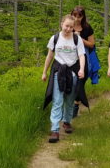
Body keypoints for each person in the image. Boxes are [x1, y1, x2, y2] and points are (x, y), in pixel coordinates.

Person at [42, 15, 87, 143]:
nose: (68, 29)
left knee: (69, 99)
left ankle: (67, 122)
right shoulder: (55, 38)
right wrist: (44, 72)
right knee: (57, 100)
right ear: (62, 24)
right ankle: (55, 130)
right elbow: (50, 56)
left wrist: (81, 69)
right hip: (58, 72)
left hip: (72, 72)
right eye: (66, 26)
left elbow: (81, 55)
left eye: (71, 27)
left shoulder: (77, 39)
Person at [71, 6, 98, 117]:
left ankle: (76, 106)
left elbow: (92, 44)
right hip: (70, 58)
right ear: (71, 15)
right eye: (75, 15)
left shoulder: (87, 28)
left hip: (84, 58)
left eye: (79, 16)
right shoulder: (68, 26)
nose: (77, 18)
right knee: (70, 83)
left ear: (83, 16)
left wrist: (80, 39)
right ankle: (68, 105)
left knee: (80, 83)